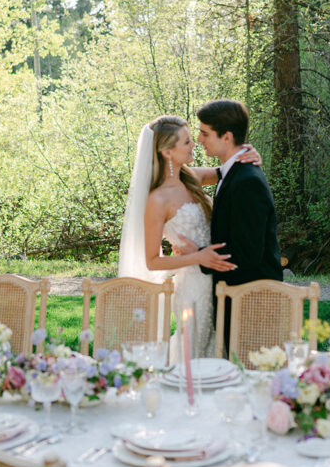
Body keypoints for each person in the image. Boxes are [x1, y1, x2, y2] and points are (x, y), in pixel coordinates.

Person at [118, 115, 260, 357]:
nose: (194, 144)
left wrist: (250, 155)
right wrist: (197, 258)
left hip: (218, 279)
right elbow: (152, 261)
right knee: (193, 350)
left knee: (219, 348)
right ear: (166, 152)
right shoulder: (157, 200)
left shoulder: (191, 177)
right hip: (193, 286)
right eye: (186, 142)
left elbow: (228, 170)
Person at [193, 99, 283, 354]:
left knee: (251, 376)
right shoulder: (232, 172)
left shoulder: (247, 182)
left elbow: (247, 255)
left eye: (205, 133)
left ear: (227, 136)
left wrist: (200, 255)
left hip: (252, 302)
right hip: (237, 298)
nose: (200, 139)